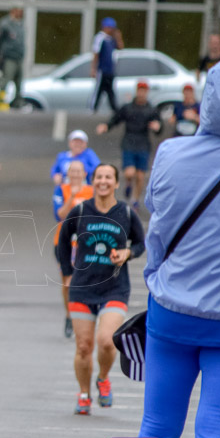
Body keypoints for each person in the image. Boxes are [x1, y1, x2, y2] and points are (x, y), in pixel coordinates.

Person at [138, 59, 220, 438]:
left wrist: (157, 277)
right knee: (216, 425)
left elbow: (156, 228)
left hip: (171, 311)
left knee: (154, 425)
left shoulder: (171, 154)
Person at [57, 164, 144, 416]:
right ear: (92, 181)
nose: (103, 181)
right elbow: (64, 238)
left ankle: (103, 379)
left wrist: (127, 253)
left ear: (116, 183)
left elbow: (140, 243)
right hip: (83, 287)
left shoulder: (125, 213)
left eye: (108, 177)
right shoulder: (82, 210)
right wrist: (67, 272)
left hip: (114, 288)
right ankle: (84, 394)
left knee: (107, 341)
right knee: (84, 346)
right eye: (99, 177)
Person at [95, 80, 161, 210]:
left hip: (143, 143)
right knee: (130, 173)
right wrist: (106, 126)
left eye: (144, 90)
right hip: (129, 142)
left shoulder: (151, 109)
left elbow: (159, 127)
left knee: (141, 175)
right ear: (137, 91)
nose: (141, 93)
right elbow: (116, 118)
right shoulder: (128, 107)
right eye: (140, 90)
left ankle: (135, 199)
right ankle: (128, 184)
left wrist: (157, 127)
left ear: (147, 92)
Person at [52, 160, 93, 339]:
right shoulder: (61, 189)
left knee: (86, 281)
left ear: (85, 174)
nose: (76, 174)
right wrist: (72, 197)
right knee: (68, 282)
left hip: (87, 243)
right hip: (65, 243)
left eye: (79, 171)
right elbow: (59, 214)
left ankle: (84, 317)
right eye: (72, 171)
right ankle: (69, 315)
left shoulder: (92, 191)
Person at [0, 6, 26, 109]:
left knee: (19, 81)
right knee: (6, 79)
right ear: (13, 10)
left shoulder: (20, 23)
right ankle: (1, 100)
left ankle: (18, 103)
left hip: (18, 57)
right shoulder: (5, 23)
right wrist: (2, 52)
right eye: (19, 10)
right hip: (9, 57)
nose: (21, 12)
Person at [90, 17, 123, 113]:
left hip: (110, 70)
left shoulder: (112, 40)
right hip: (102, 69)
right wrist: (93, 69)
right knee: (98, 90)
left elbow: (120, 47)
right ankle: (92, 109)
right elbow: (96, 54)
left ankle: (115, 109)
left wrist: (118, 37)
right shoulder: (100, 38)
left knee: (110, 91)